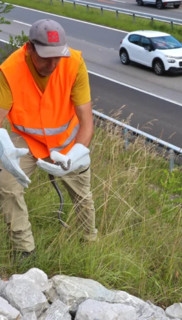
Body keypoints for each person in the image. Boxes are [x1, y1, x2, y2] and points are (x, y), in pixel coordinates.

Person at [0, 19, 98, 258]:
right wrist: (3, 148)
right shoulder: (10, 70)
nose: (53, 64)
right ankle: (24, 250)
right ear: (30, 48)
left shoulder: (74, 64)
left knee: (83, 196)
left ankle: (89, 242)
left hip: (67, 143)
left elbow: (86, 123)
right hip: (28, 141)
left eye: (58, 56)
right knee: (6, 183)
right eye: (46, 57)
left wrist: (77, 153)